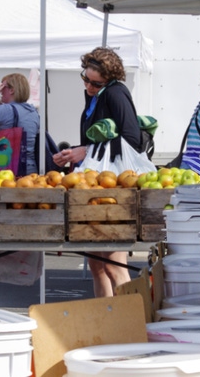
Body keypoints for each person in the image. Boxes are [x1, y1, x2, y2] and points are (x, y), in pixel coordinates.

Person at [52, 47, 144, 297]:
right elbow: (96, 139)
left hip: (114, 187)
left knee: (114, 265)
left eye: (96, 83)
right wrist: (74, 152)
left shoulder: (115, 93)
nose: (89, 86)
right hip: (96, 184)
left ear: (110, 79)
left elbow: (133, 139)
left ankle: (130, 318)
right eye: (86, 79)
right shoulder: (95, 96)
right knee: (98, 266)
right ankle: (107, 317)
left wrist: (86, 151)